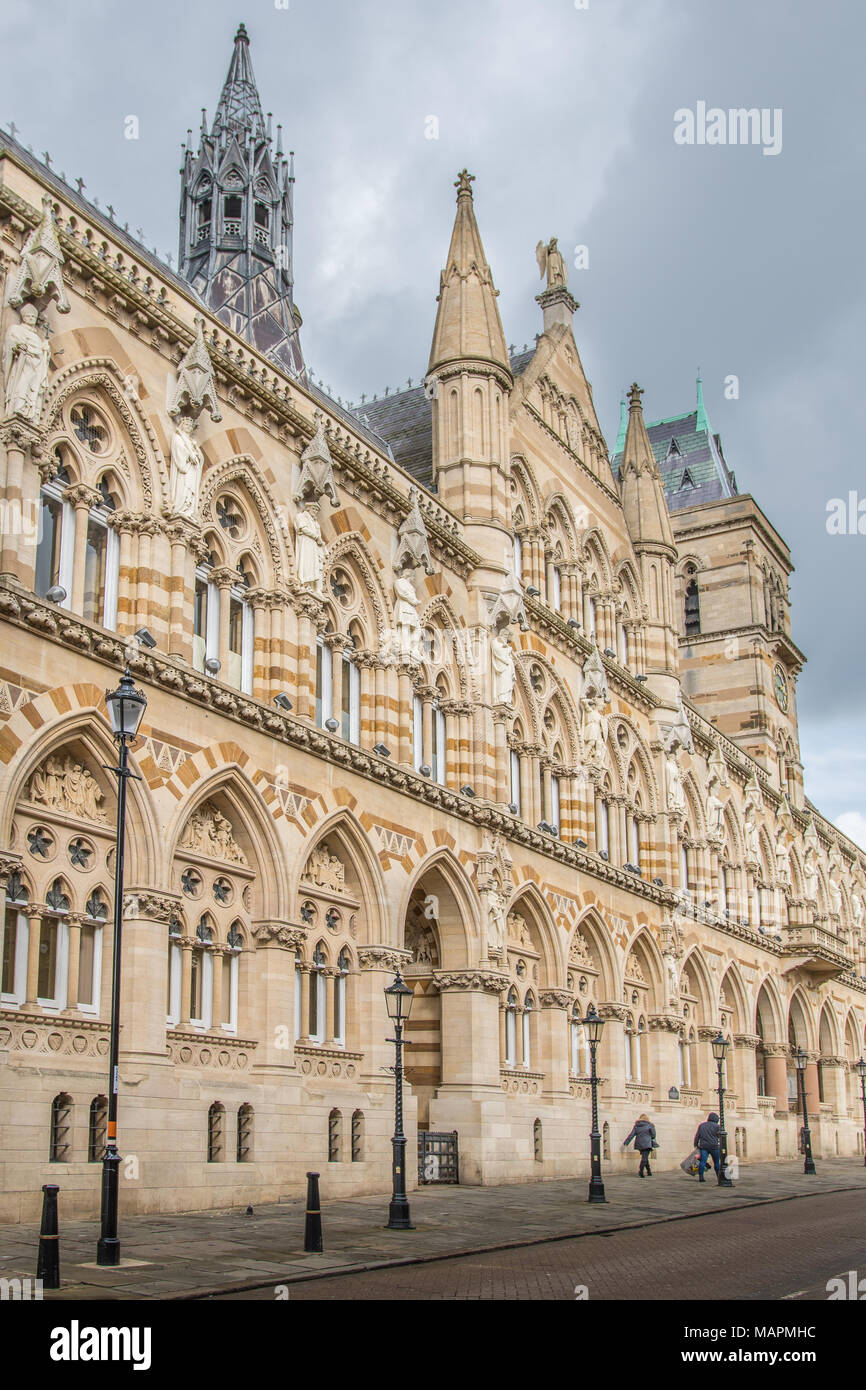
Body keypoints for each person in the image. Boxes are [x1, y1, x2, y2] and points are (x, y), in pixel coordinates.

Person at [693, 1111, 721, 1182]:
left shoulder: (702, 1125)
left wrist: (696, 1145)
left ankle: (701, 1177)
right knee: (716, 1162)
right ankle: (718, 1177)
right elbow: (719, 1136)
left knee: (702, 1161)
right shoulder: (717, 1126)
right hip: (714, 1146)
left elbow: (697, 1136)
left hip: (704, 1147)